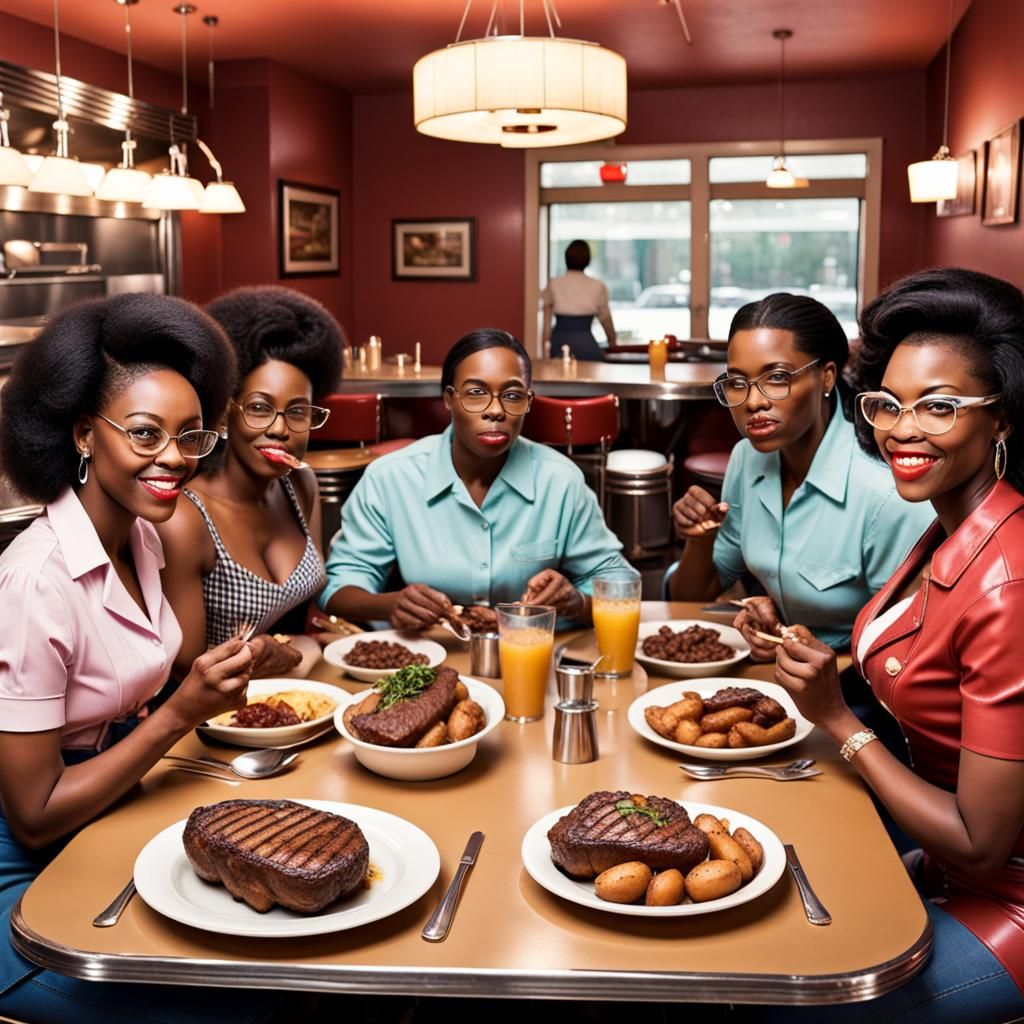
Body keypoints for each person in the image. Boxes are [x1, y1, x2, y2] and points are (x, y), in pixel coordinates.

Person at [0, 294, 285, 1023]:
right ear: (82, 433)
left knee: (275, 959)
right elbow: (33, 816)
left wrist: (225, 671)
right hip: (24, 885)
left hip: (106, 825)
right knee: (227, 1010)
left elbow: (160, 673)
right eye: (146, 433)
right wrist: (178, 713)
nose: (176, 459)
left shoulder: (144, 536)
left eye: (191, 436)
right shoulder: (35, 582)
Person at [750, 268, 1024, 1024]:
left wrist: (838, 719)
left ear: (1001, 419)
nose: (902, 429)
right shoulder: (951, 526)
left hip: (1006, 901)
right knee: (758, 938)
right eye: (888, 404)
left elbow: (981, 842)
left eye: (939, 406)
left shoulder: (1008, 585)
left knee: (784, 1008)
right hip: (939, 865)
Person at [667, 293, 934, 656]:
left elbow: (905, 650)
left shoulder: (886, 491)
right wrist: (700, 541)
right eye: (738, 382)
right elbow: (689, 599)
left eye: (777, 378)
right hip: (781, 668)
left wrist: (803, 650)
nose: (754, 402)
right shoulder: (746, 458)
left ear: (826, 377)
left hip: (856, 680)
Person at [321, 328, 630, 629]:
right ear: (449, 398)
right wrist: (390, 606)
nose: (495, 411)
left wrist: (577, 602)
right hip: (429, 653)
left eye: (512, 395)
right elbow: (338, 588)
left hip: (529, 651)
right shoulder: (390, 478)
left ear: (528, 401)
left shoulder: (560, 481)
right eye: (476, 393)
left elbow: (620, 584)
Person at [157, 286, 342, 681]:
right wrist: (298, 651)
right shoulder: (185, 520)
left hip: (299, 693)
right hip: (216, 713)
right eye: (259, 408)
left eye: (298, 412)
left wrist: (300, 651)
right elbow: (187, 670)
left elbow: (305, 621)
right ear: (225, 415)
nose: (279, 429)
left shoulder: (301, 485)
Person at [542, 239, 616, 361]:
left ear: (566, 258)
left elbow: (546, 327)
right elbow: (606, 321)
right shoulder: (598, 286)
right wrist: (612, 343)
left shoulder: (553, 284)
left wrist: (545, 353)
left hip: (559, 344)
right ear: (588, 260)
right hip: (586, 344)